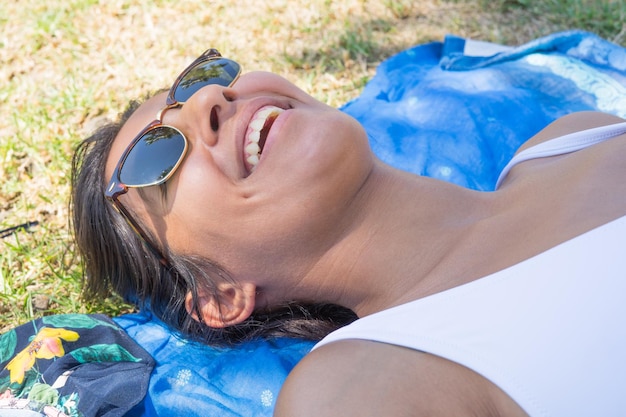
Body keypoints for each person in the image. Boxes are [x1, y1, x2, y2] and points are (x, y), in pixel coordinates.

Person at [71, 49, 626, 416]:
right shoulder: (361, 389)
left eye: (198, 83)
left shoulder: (574, 140)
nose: (210, 102)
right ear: (217, 296)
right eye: (158, 154)